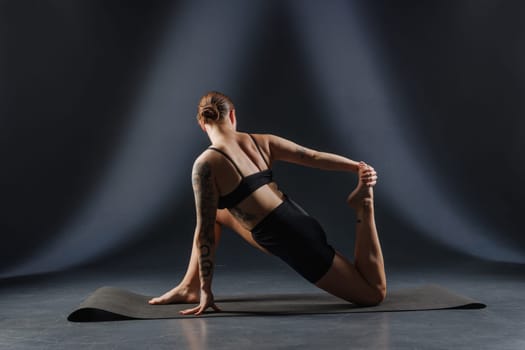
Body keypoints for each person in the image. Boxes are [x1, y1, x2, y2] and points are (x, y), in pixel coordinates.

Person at [149, 91, 386, 315]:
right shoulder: (261, 141)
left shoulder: (206, 165)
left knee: (373, 293)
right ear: (232, 115)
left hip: (294, 241)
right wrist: (357, 166)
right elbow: (313, 157)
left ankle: (363, 205)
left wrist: (207, 290)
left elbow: (204, 234)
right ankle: (188, 287)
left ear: (202, 124)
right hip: (291, 221)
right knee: (219, 215)